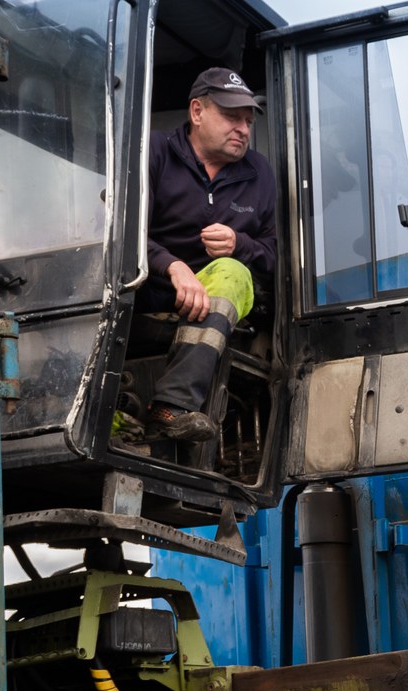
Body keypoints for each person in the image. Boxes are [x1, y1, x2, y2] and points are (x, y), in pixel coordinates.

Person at [139, 68, 278, 442]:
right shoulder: (154, 151)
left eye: (248, 121)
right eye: (232, 117)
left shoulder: (259, 174)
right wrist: (172, 266)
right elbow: (122, 230)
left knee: (232, 271)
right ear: (197, 112)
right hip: (150, 285)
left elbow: (276, 255)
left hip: (219, 299)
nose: (244, 129)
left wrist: (240, 244)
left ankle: (170, 406)